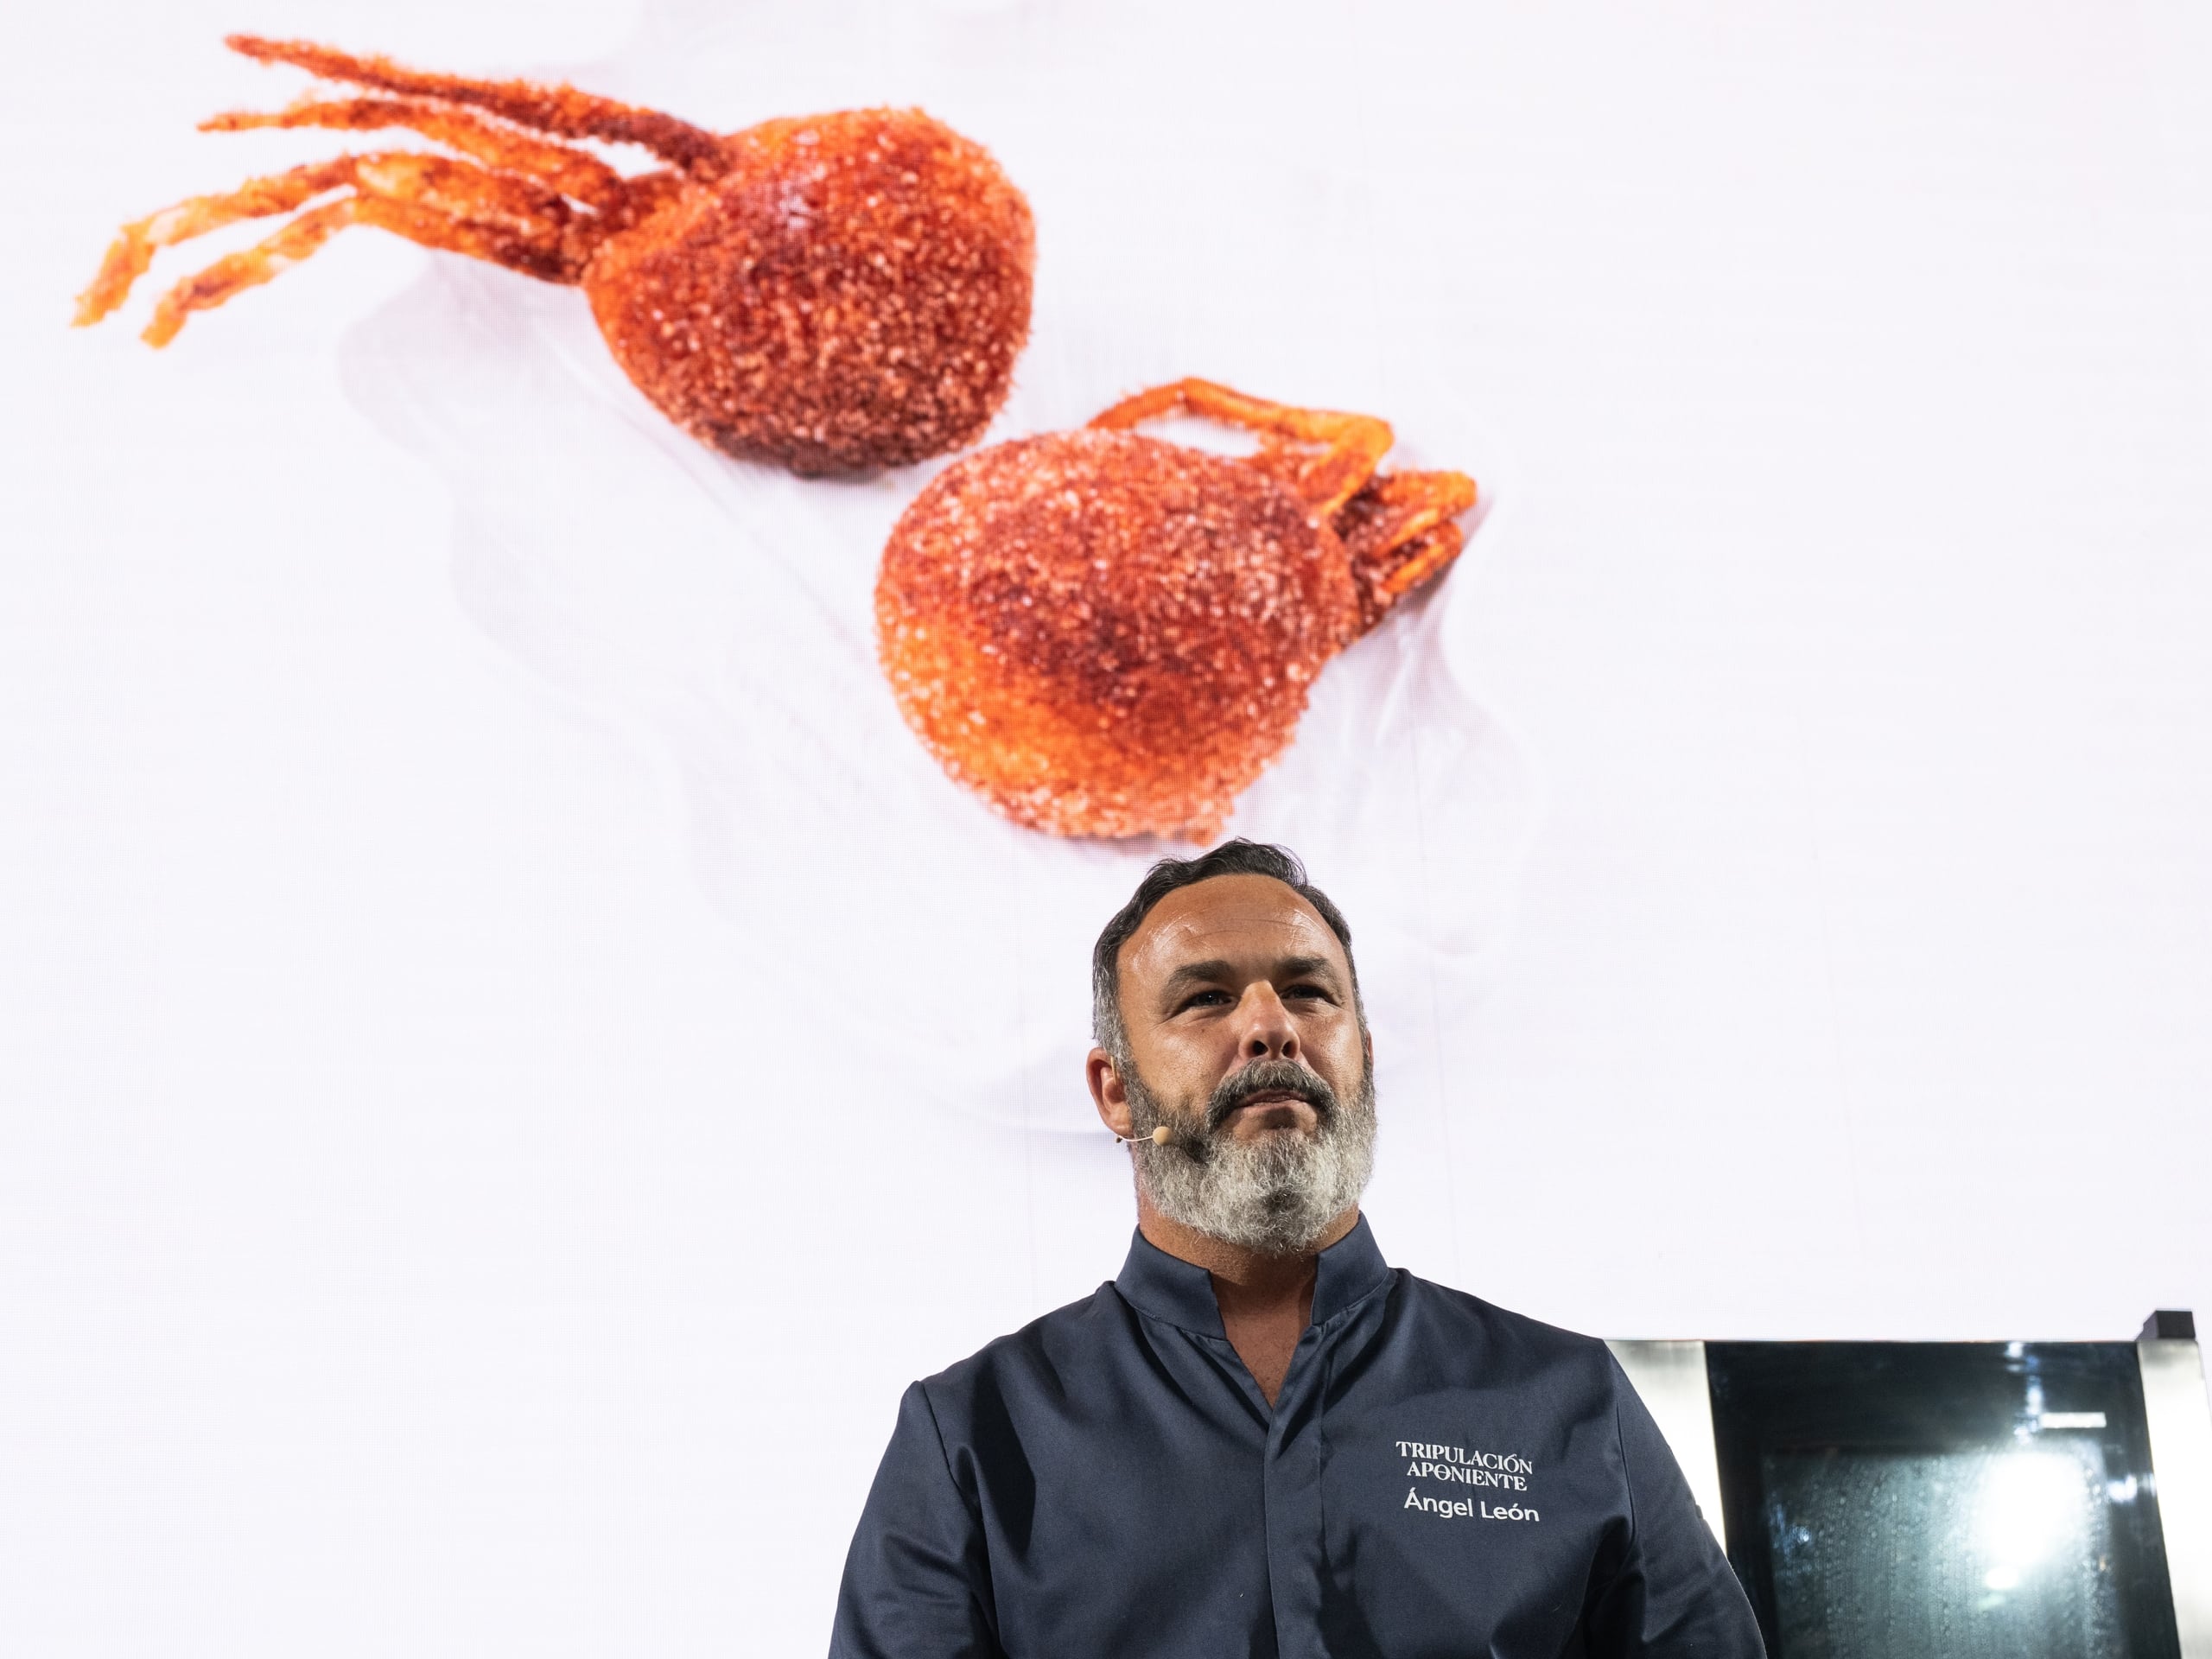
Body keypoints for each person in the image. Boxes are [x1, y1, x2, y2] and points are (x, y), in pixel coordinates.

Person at [830, 840, 1764, 1658]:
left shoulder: (1566, 1398)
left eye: (1309, 992)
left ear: (1360, 1050)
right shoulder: (975, 1440)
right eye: (1203, 999)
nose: (1270, 1024)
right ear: (1114, 1091)